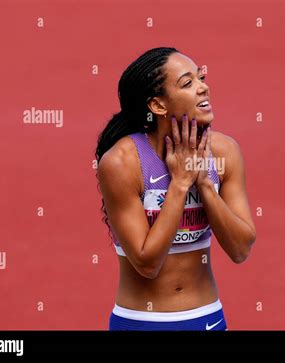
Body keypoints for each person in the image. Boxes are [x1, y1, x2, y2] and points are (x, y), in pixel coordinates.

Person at [95, 47, 256, 331]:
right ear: (158, 106)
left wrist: (204, 183)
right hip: (142, 322)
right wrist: (180, 183)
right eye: (188, 83)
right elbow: (147, 263)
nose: (203, 87)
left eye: (201, 78)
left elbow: (241, 248)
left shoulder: (224, 152)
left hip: (207, 319)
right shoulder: (122, 163)